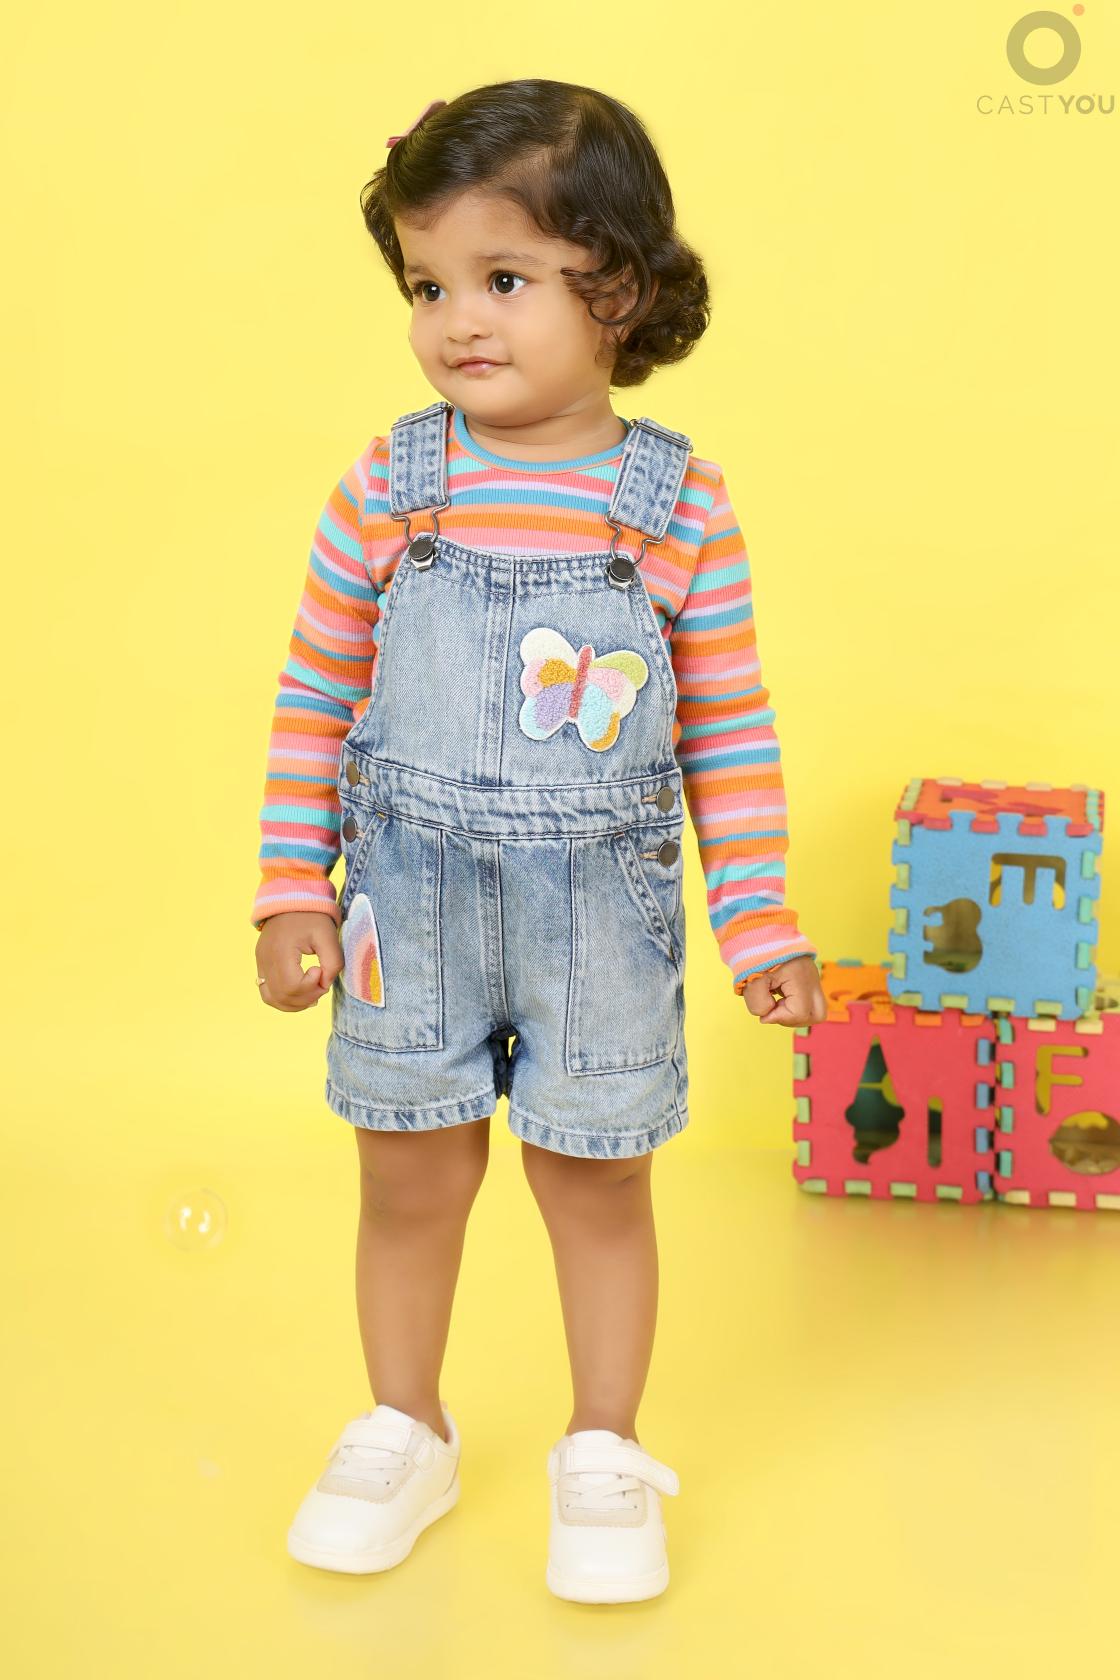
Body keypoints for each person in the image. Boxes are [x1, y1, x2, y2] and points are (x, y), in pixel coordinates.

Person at [251, 78, 828, 1603]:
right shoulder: (388, 489)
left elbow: (729, 732)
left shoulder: (678, 505)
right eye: (426, 286)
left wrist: (760, 920)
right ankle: (405, 1423)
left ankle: (605, 1446)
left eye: (502, 279)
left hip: (600, 918)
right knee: (407, 1179)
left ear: (616, 288)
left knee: (596, 1183)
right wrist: (291, 887)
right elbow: (315, 698)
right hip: (410, 907)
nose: (457, 322)